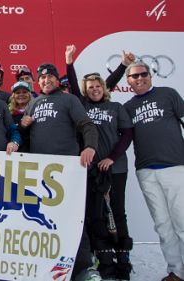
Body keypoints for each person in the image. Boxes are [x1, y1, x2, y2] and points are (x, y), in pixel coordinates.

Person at [20, 63, 100, 281]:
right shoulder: (33, 103)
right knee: (42, 220)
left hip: (67, 171)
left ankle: (84, 268)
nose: (46, 80)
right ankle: (45, 267)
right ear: (38, 81)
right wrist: (22, 127)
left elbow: (87, 125)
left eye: (50, 77)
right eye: (42, 78)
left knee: (73, 220)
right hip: (40, 173)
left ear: (57, 79)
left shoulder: (69, 99)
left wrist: (90, 146)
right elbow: (23, 140)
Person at [65, 45, 135, 280]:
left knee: (118, 212)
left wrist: (111, 158)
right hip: (91, 170)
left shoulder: (115, 107)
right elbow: (74, 86)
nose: (94, 90)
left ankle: (123, 261)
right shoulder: (82, 105)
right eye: (90, 88)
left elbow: (126, 135)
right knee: (95, 215)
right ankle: (105, 260)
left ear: (104, 88)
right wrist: (69, 63)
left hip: (115, 168)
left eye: (98, 86)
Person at [123, 61, 184, 281]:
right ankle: (176, 271)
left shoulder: (168, 94)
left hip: (175, 165)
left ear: (151, 75)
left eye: (143, 74)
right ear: (128, 81)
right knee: (162, 224)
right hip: (146, 171)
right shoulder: (128, 107)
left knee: (182, 220)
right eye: (134, 76)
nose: (139, 79)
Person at [8, 81, 33, 152]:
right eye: (18, 93)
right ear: (13, 96)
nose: (21, 95)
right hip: (12, 154)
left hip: (33, 153)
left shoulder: (35, 112)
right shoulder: (9, 114)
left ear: (29, 95)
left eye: (24, 92)